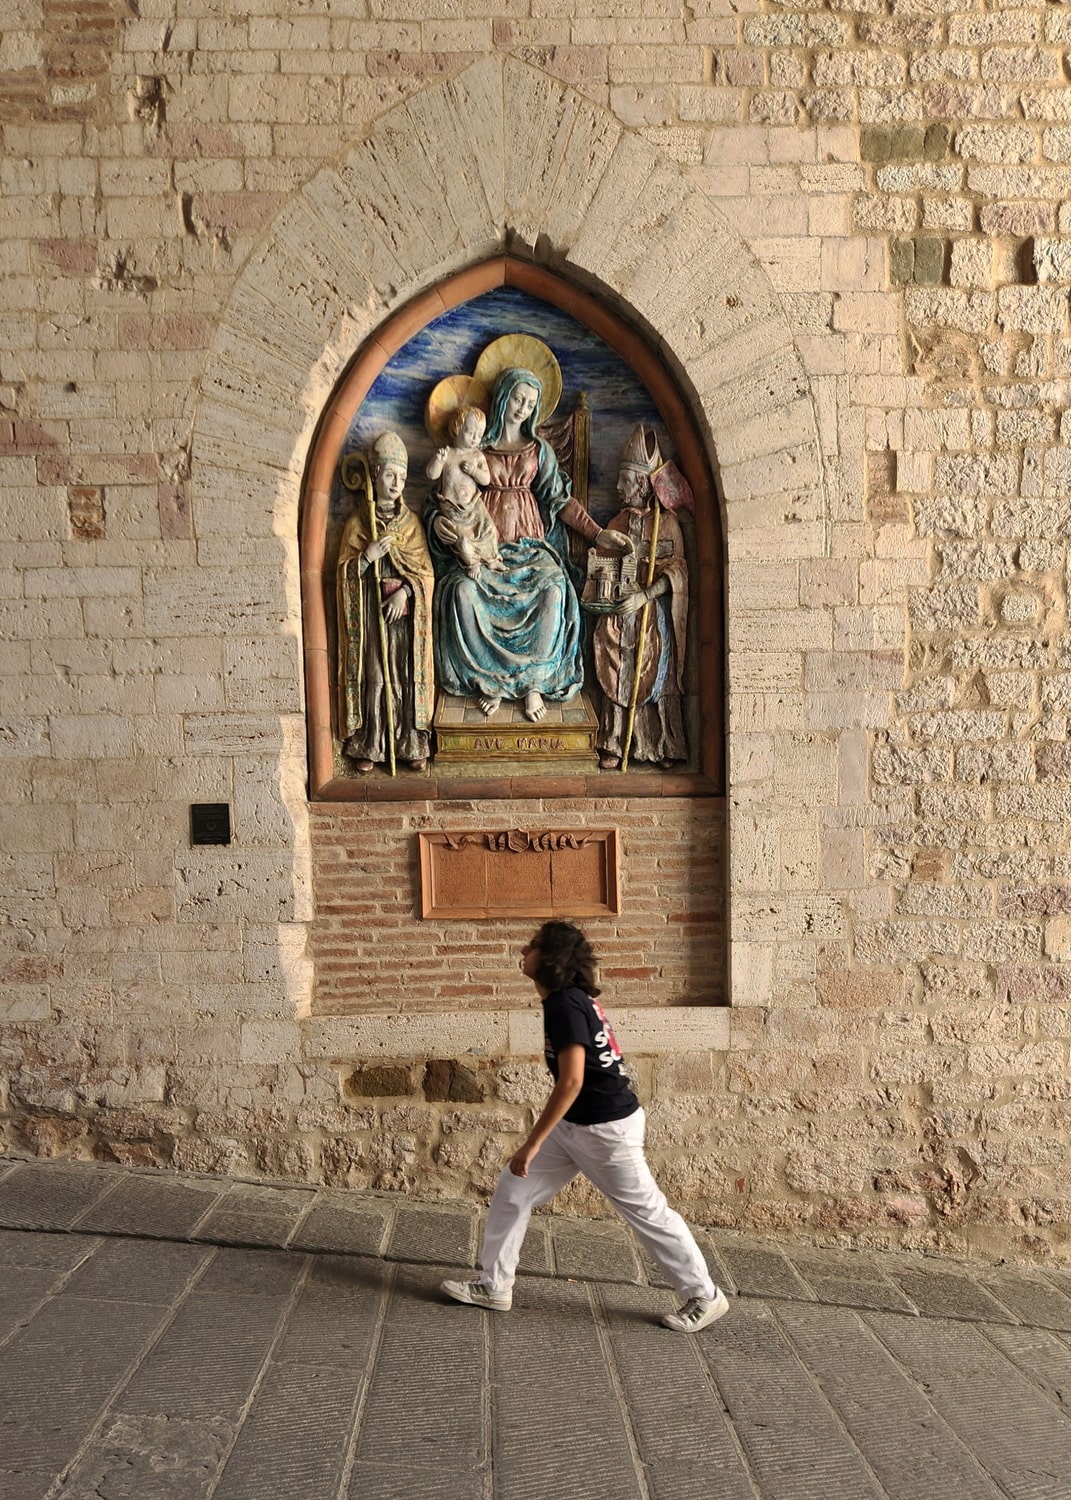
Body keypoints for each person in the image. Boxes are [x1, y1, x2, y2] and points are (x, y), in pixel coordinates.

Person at [441, 920, 730, 1333]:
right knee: (513, 1189)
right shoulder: (568, 1000)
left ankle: (705, 1294)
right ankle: (494, 1285)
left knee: (647, 1213)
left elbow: (572, 1080)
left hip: (606, 1129)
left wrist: (531, 1144)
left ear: (551, 958)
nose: (523, 951)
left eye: (534, 945)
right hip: (579, 1125)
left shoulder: (564, 1004)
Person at [427, 366, 631, 722]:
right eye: (518, 399)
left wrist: (597, 533)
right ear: (503, 398)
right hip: (486, 547)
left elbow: (561, 500)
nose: (523, 408)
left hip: (531, 547)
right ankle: (488, 679)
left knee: (553, 589)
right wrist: (442, 525)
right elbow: (441, 498)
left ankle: (533, 681)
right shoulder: (475, 449)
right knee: (460, 591)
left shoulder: (539, 450)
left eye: (531, 403)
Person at [589, 424, 689, 769]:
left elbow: (677, 571)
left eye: (625, 480)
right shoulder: (617, 521)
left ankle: (659, 743)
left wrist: (646, 595)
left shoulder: (668, 524)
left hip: (652, 610)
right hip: (621, 609)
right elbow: (604, 565)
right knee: (610, 641)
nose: (618, 487)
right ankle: (617, 740)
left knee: (652, 653)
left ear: (645, 484)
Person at [336, 430, 435, 772]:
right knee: (376, 675)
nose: (397, 483)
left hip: (404, 618)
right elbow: (343, 575)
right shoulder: (358, 523)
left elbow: (425, 574)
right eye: (391, 474)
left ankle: (410, 743)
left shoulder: (411, 525)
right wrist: (366, 557)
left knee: (406, 674)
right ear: (375, 474)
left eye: (403, 477)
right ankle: (372, 743)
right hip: (371, 614)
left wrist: (406, 592)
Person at [425, 405, 505, 579]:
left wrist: (475, 472)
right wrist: (438, 461)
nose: (474, 438)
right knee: (462, 539)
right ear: (456, 428)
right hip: (452, 509)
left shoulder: (477, 456)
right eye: (470, 432)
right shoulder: (448, 454)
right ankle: (472, 564)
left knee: (489, 529)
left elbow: (486, 479)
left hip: (474, 508)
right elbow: (431, 475)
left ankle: (491, 558)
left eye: (479, 435)